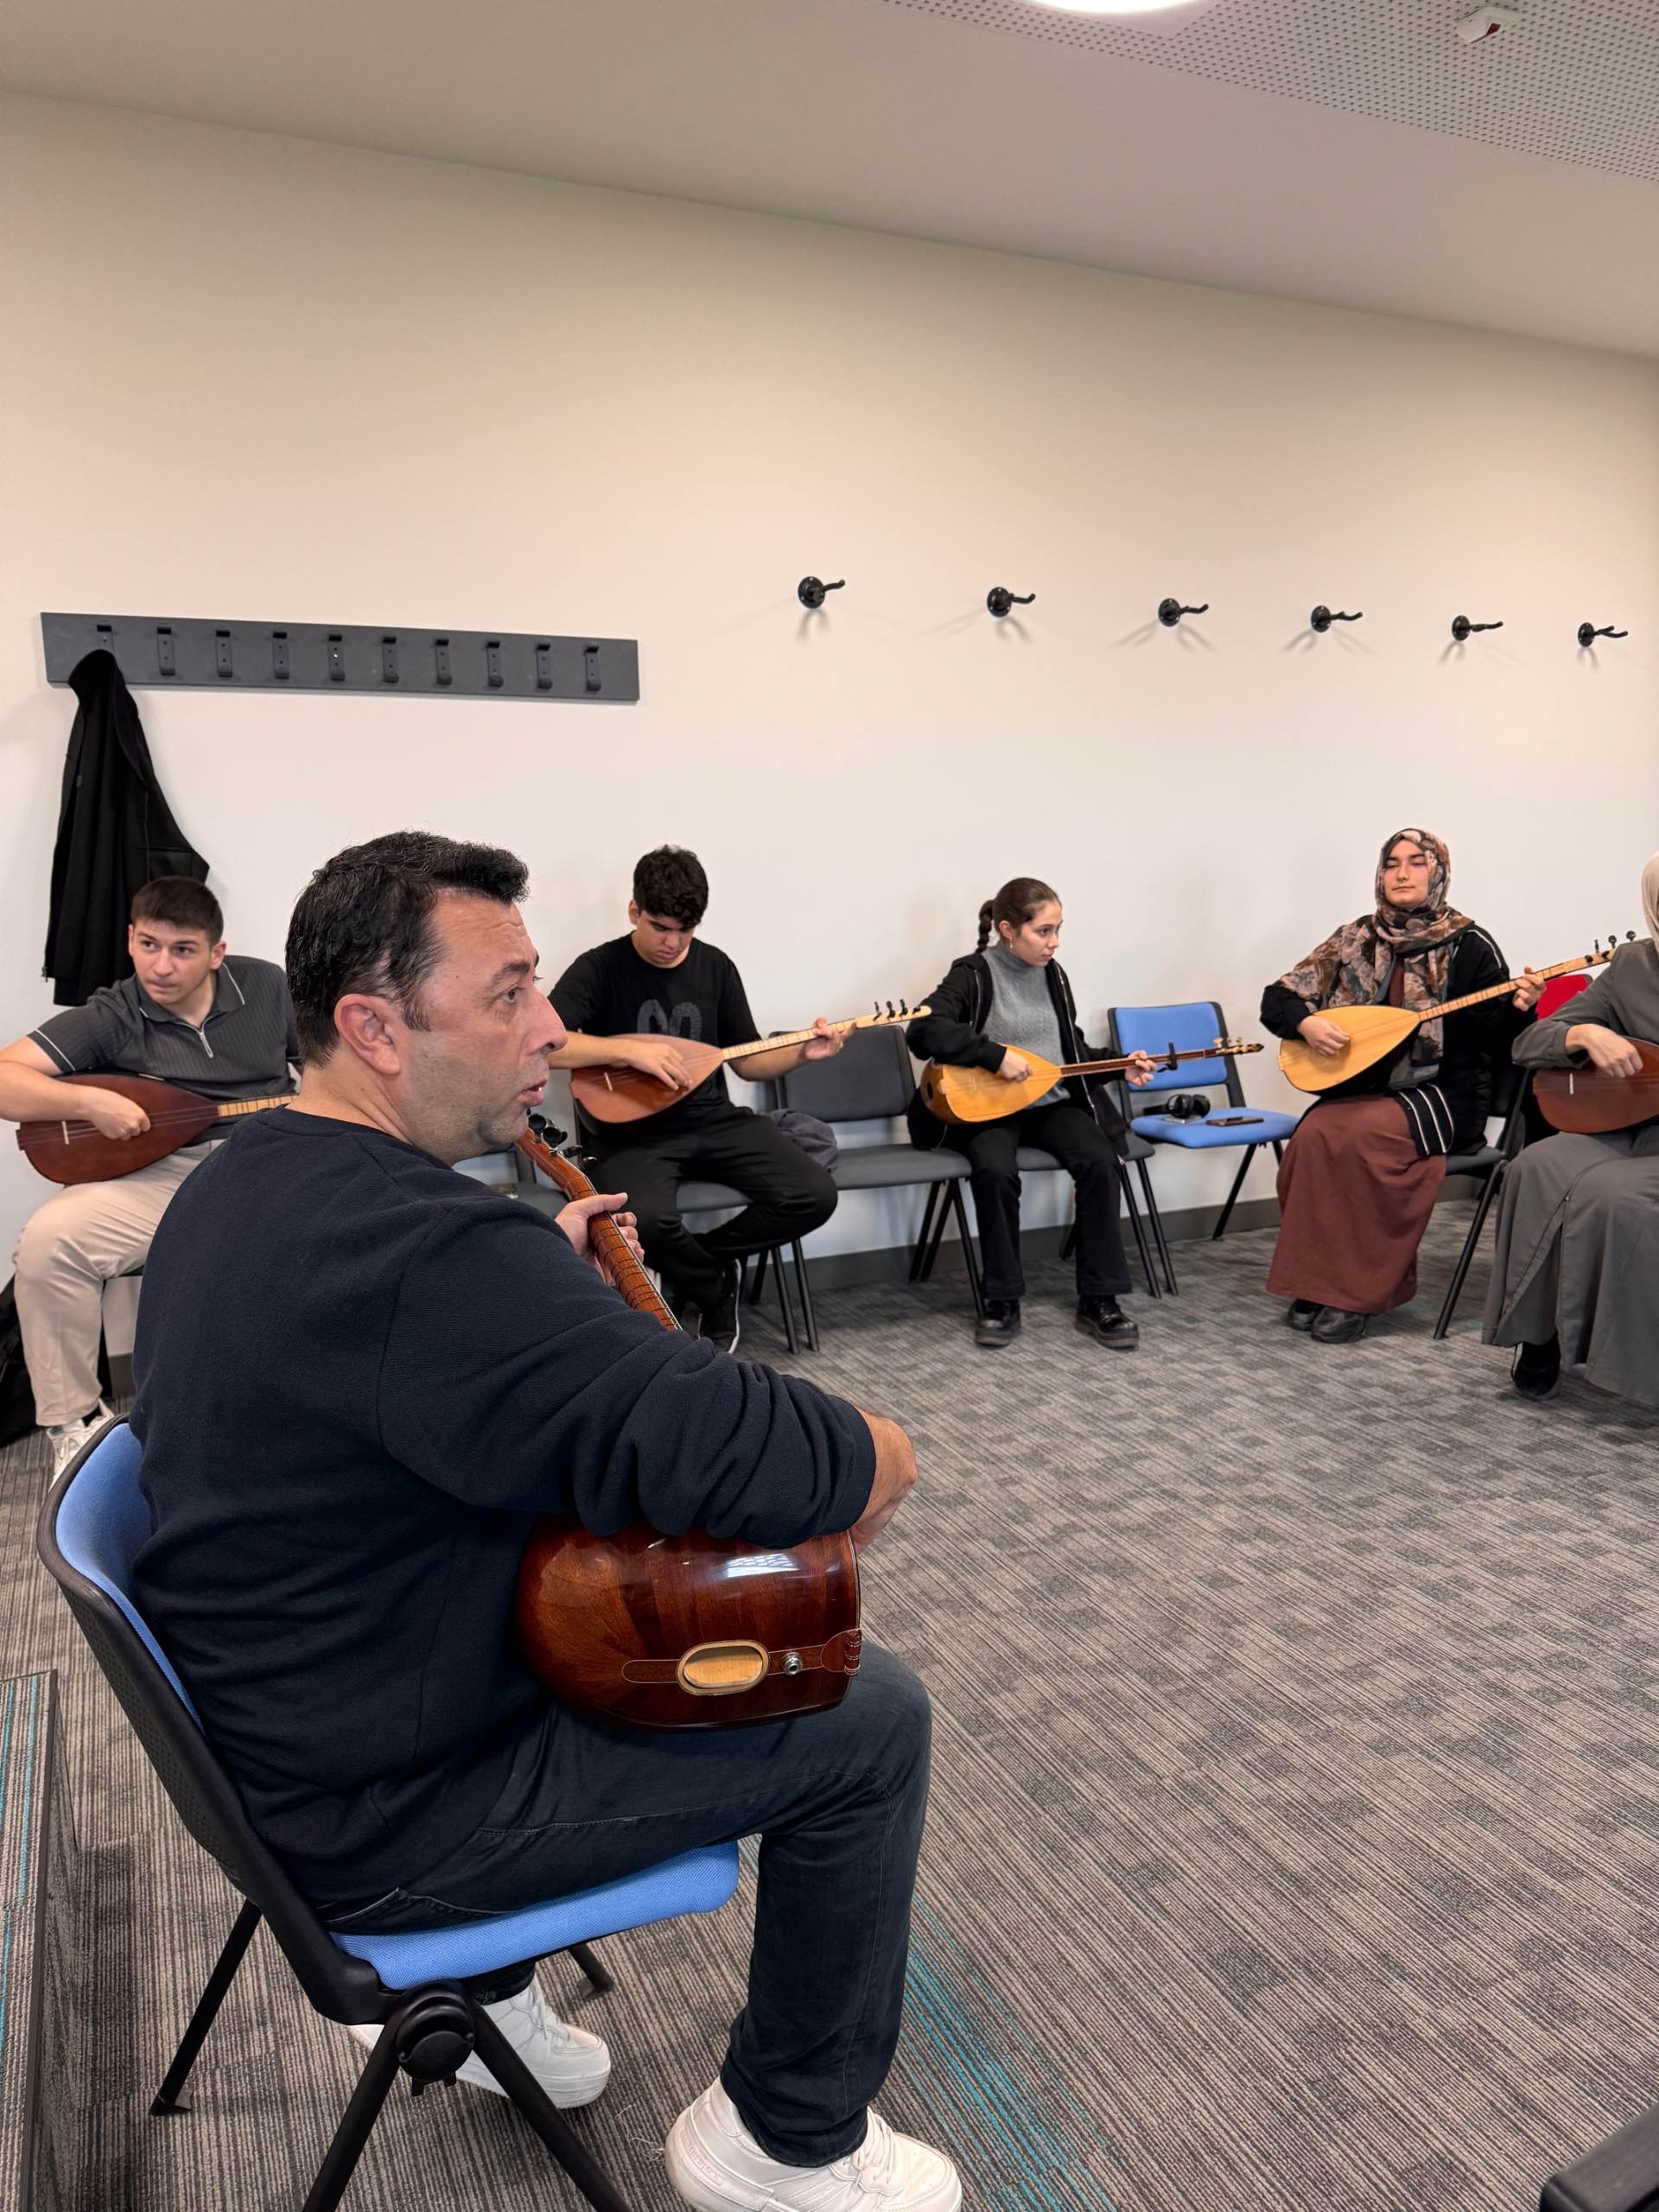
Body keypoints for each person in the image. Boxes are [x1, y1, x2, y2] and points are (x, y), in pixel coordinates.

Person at [129, 831, 959, 2212]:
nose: (553, 1028)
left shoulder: (249, 1178)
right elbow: (754, 1453)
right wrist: (889, 1451)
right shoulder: (430, 1255)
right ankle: (784, 2139)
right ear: (374, 1029)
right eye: (509, 992)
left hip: (299, 1724)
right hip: (386, 1815)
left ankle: (486, 1996)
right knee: (870, 1719)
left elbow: (412, 1375)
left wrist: (540, 1312)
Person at [0, 876, 295, 1473]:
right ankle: (76, 1428)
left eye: (183, 950)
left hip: (269, 1157)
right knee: (50, 1242)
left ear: (216, 952)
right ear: (131, 939)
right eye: (149, 945)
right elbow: (6, 1078)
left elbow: (330, 1060)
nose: (161, 966)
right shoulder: (114, 1012)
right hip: (163, 1172)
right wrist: (90, 1104)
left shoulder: (267, 986)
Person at [547, 845, 843, 1352]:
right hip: (631, 1135)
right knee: (642, 1220)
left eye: (685, 930)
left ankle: (701, 1268)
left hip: (713, 1120)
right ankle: (714, 1288)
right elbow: (549, 1043)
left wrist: (802, 1053)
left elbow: (746, 1060)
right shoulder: (600, 967)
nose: (673, 942)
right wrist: (628, 1050)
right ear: (634, 911)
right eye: (661, 927)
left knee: (814, 1194)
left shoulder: (716, 967)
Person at [1260, 828, 1541, 1344]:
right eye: (1392, 863)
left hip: (1446, 1095)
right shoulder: (1355, 938)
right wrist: (1306, 1023)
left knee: (1358, 1139)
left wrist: (1523, 1009)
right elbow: (1277, 998)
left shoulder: (1470, 944)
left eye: (1416, 862)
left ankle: (1356, 1293)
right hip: (1363, 1090)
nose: (1402, 873)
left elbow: (1500, 1042)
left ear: (1438, 872)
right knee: (1312, 1137)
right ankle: (1318, 1282)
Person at [906, 877, 1154, 1351]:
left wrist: (1120, 1066)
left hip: (1050, 1104)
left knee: (1101, 1161)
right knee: (995, 1170)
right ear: (1008, 930)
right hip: (990, 1110)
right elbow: (922, 1030)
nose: (1054, 942)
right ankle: (1001, 1299)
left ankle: (1099, 1299)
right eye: (1043, 931)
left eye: (1058, 930)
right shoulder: (973, 973)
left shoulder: (1054, 976)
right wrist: (993, 1055)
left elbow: (1067, 1052)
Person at [1484, 850, 1659, 1407]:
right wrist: (1581, 1035)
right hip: (1625, 1124)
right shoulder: (1632, 965)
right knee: (1534, 1166)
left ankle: (1628, 1364)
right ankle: (1541, 1334)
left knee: (1615, 1195)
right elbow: (1528, 1043)